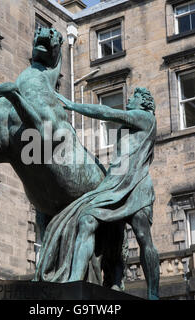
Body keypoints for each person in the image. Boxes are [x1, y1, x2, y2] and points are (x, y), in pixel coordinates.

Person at [35, 87, 160, 300]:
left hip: (137, 184)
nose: (129, 99)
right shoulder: (131, 123)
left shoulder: (145, 118)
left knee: (142, 236)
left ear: (144, 103)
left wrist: (73, 105)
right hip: (114, 184)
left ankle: (153, 294)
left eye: (135, 96)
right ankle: (75, 280)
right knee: (86, 219)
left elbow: (107, 113)